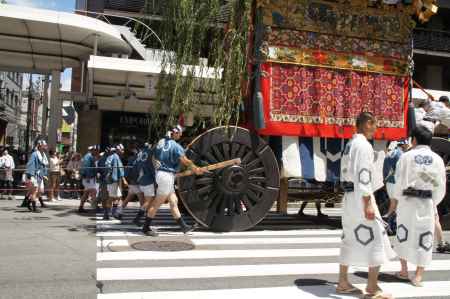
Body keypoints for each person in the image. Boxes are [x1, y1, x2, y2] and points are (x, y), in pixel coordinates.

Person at [337, 112, 396, 298]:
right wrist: (368, 203)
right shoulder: (363, 145)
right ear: (368, 123)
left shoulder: (350, 144)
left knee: (349, 237)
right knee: (377, 236)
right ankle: (372, 287)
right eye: (375, 125)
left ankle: (343, 282)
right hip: (360, 197)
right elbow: (363, 176)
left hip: (348, 196)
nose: (376, 129)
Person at [392, 125, 447, 286]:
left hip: (408, 202)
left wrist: (397, 198)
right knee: (425, 236)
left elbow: (399, 180)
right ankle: (418, 275)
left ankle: (403, 270)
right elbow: (440, 185)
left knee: (403, 234)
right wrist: (432, 201)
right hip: (426, 202)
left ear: (414, 139)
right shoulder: (437, 159)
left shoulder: (406, 156)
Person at [142, 125, 202, 237]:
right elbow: (185, 161)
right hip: (166, 176)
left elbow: (152, 156)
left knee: (173, 200)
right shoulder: (176, 146)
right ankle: (146, 227)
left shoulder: (160, 142)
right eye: (180, 133)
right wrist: (196, 169)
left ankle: (184, 227)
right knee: (157, 203)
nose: (181, 135)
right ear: (175, 133)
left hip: (161, 174)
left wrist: (156, 166)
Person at [114, 148, 144, 220]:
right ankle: (140, 217)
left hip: (132, 182)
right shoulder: (137, 160)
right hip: (136, 183)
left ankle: (119, 212)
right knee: (142, 201)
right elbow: (138, 172)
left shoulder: (131, 160)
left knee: (128, 198)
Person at [382, 140, 410, 217]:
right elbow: (403, 171)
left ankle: (390, 222)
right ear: (403, 145)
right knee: (395, 205)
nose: (407, 148)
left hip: (389, 183)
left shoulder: (389, 153)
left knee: (393, 203)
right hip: (396, 183)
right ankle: (388, 221)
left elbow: (384, 170)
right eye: (407, 145)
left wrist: (384, 181)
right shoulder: (401, 154)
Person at [132, 142, 156, 226]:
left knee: (148, 201)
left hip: (141, 180)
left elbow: (134, 165)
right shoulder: (150, 153)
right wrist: (156, 178)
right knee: (149, 201)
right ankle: (137, 218)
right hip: (148, 179)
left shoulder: (140, 154)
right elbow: (152, 167)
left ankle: (146, 218)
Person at [104, 144, 128, 220]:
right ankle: (107, 214)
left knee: (118, 197)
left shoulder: (112, 157)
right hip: (114, 180)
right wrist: (124, 180)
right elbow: (119, 170)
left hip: (112, 180)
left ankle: (115, 213)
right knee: (112, 197)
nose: (123, 151)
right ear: (117, 150)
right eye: (122, 150)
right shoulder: (115, 157)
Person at [24, 140, 49, 213]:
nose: (46, 146)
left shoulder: (43, 154)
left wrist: (44, 174)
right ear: (40, 146)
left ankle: (28, 203)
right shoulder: (34, 154)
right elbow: (30, 164)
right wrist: (31, 175)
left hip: (39, 176)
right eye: (45, 145)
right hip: (34, 175)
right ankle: (34, 208)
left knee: (40, 191)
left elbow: (43, 166)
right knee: (34, 191)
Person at [79, 146, 100, 213]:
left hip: (88, 178)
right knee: (94, 192)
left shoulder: (89, 156)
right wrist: (88, 177)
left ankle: (81, 207)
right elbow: (87, 167)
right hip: (88, 178)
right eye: (95, 150)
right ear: (92, 150)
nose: (96, 151)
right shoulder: (88, 157)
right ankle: (95, 207)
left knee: (86, 193)